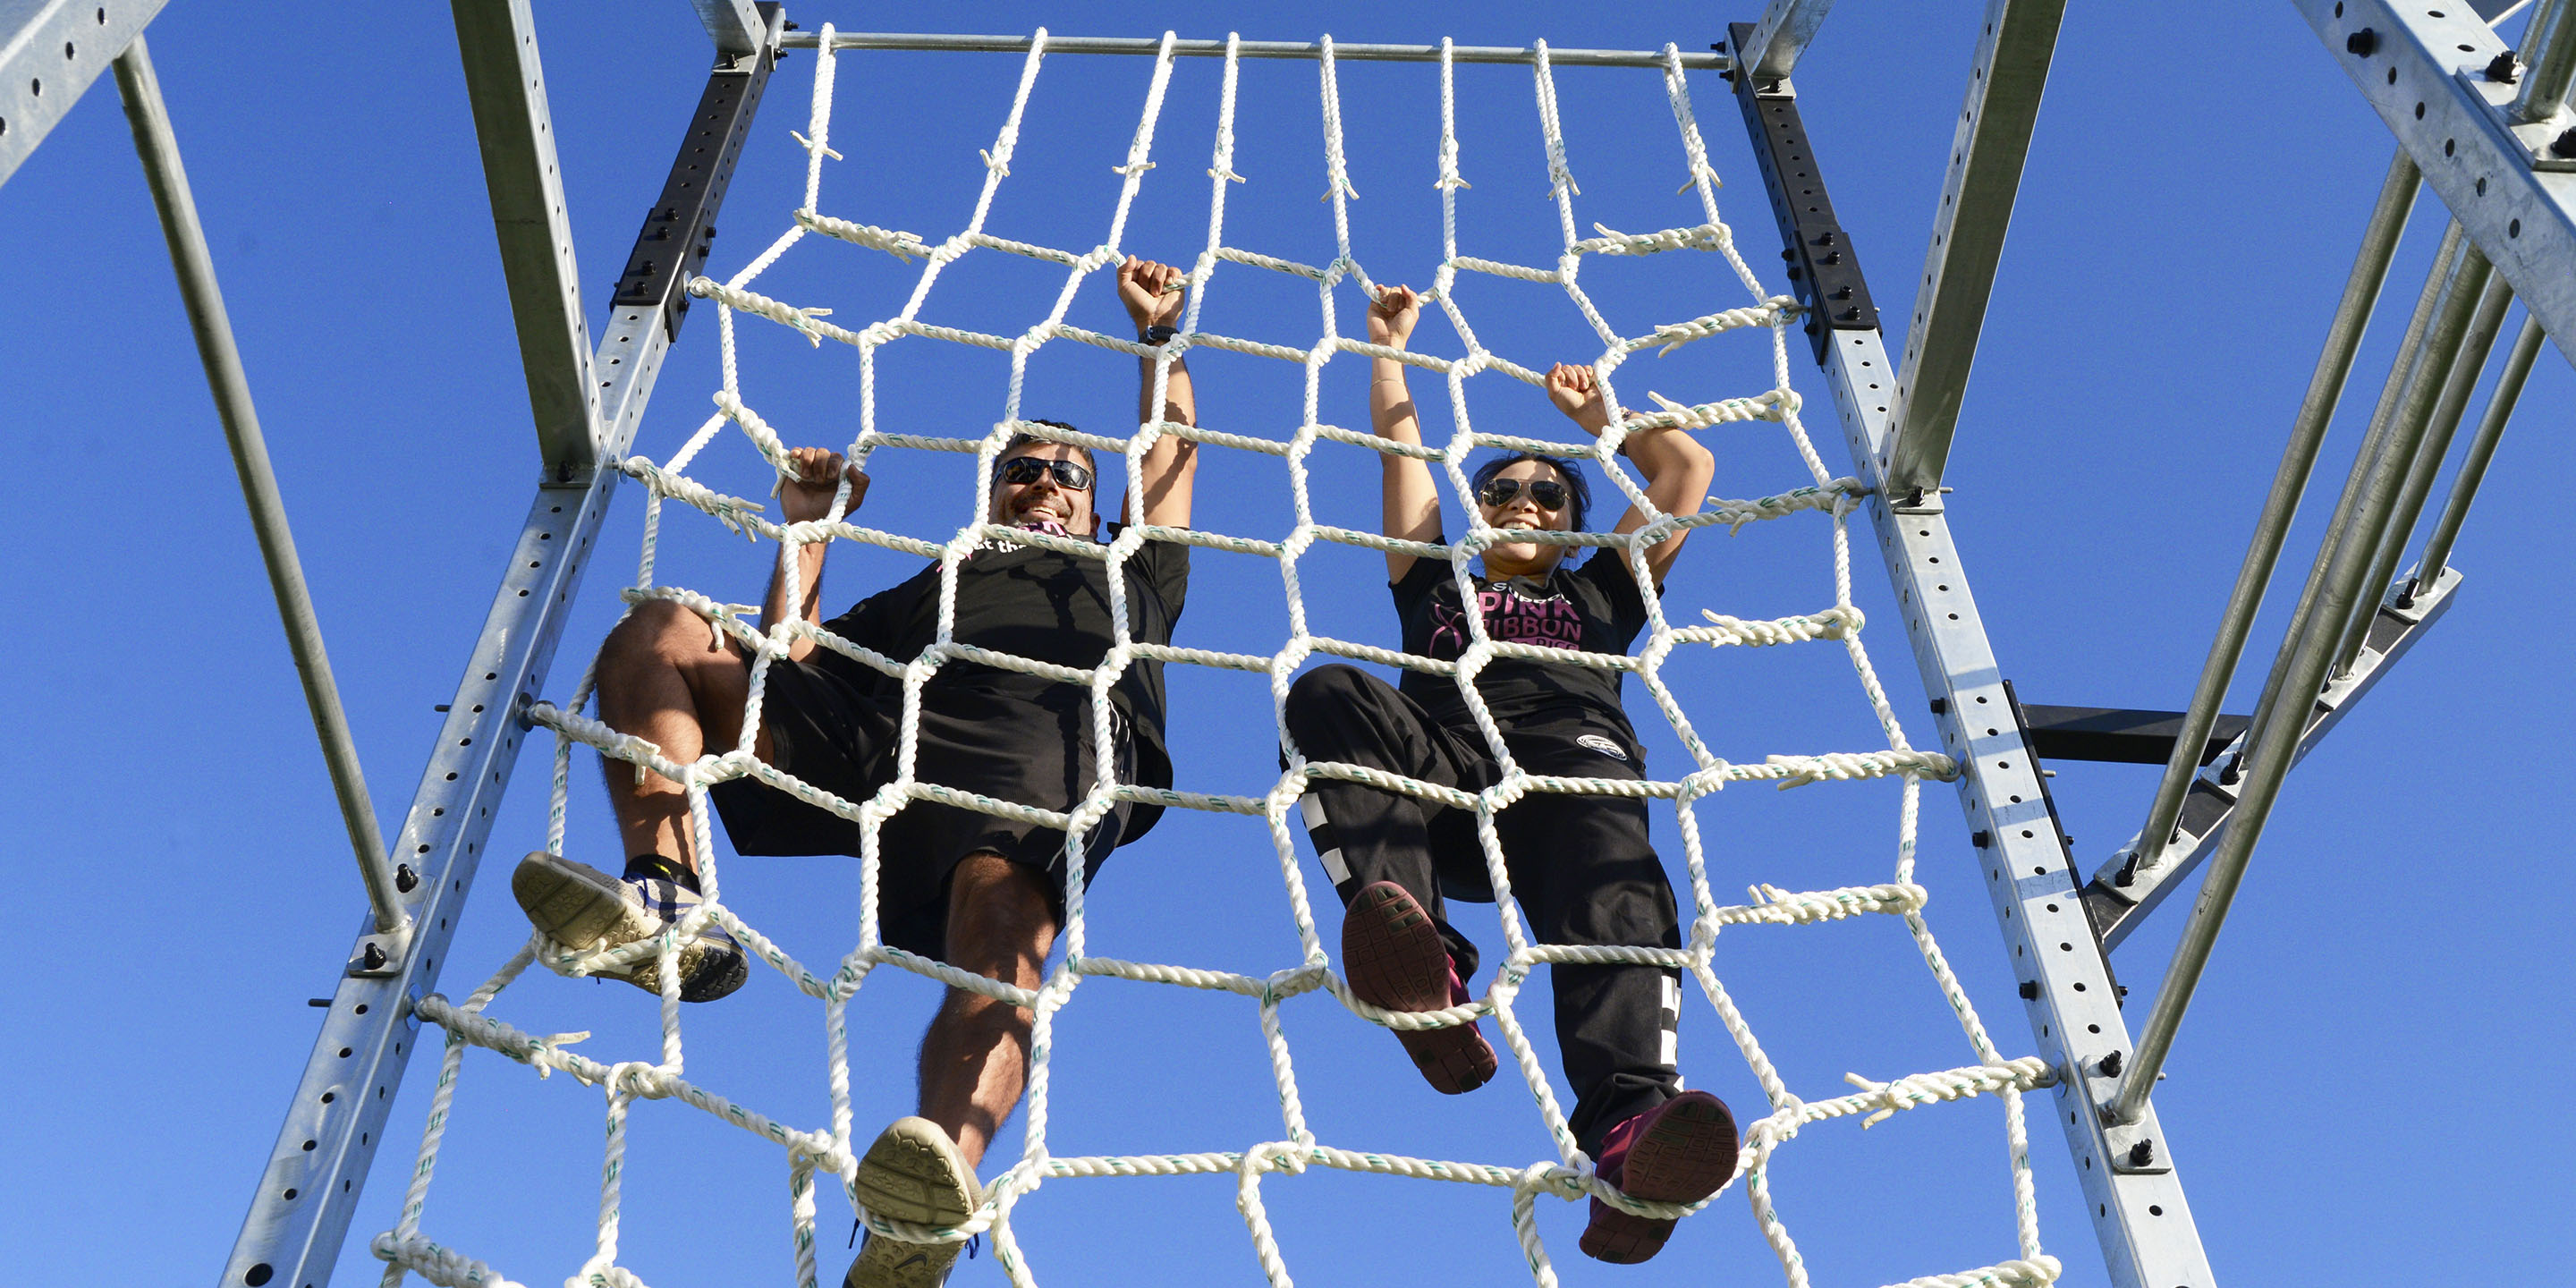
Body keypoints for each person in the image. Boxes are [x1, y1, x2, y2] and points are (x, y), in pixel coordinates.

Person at [507, 256, 1200, 1288]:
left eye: (1067, 472)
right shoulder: (938, 586)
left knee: (1002, 949)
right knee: (662, 631)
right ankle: (668, 901)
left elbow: (1174, 456)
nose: (1043, 482)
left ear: (1097, 510)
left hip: (1042, 754)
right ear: (992, 490)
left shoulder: (1129, 569)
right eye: (1022, 467)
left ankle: (923, 1213)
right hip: (895, 740)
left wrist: (1158, 341)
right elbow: (793, 657)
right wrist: (806, 526)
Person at [1282, 284, 1735, 1265]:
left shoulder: (1605, 589)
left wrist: (1599, 418)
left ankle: (1629, 1136)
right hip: (1442, 780)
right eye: (1501, 492)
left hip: (1565, 782)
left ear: (1576, 526)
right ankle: (1424, 971)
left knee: (1614, 849)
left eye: (1546, 495)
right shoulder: (1436, 585)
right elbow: (1404, 455)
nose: (1521, 503)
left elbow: (1686, 465)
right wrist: (1388, 352)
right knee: (1324, 691)